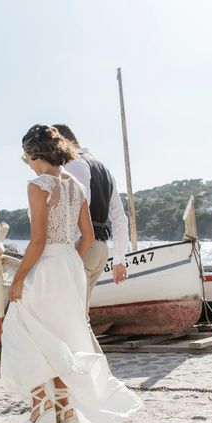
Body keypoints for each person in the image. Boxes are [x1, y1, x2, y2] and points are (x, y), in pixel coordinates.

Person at [0, 124, 142, 423]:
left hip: (47, 266)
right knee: (64, 337)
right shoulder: (75, 184)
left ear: (35, 154)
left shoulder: (38, 185)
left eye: (26, 157)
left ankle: (42, 410)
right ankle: (65, 415)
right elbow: (88, 236)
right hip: (69, 266)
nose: (27, 162)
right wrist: (71, 262)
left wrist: (19, 279)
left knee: (23, 331)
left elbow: (37, 242)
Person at [52, 124, 129, 310]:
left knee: (72, 313)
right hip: (101, 249)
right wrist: (119, 259)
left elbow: (78, 207)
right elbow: (119, 217)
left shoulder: (75, 164)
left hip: (84, 246)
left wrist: (68, 253)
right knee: (80, 315)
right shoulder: (104, 169)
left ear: (63, 141)